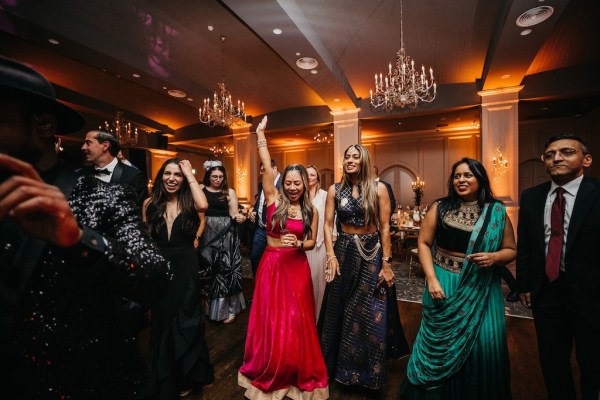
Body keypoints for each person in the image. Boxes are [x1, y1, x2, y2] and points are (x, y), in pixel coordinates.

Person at [0, 56, 170, 398]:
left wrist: (79, 240)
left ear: (44, 125)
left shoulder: (102, 196)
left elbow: (156, 276)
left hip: (85, 382)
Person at [401, 157, 516, 399]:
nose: (461, 180)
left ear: (480, 179)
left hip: (481, 285)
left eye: (467, 175)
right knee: (439, 343)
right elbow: (423, 243)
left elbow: (511, 250)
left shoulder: (495, 211)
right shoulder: (440, 207)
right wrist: (431, 279)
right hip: (445, 280)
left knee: (484, 342)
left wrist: (495, 258)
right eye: (457, 176)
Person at [238, 116, 329, 400]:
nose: (292, 187)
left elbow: (313, 241)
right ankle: (270, 365)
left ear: (304, 184)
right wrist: (260, 135)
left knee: (297, 319)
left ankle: (295, 367)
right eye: (288, 182)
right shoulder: (273, 200)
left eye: (297, 183)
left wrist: (300, 244)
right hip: (272, 265)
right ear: (282, 183)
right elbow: (265, 164)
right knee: (271, 318)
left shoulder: (311, 211)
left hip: (297, 266)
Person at [319, 144, 409, 390]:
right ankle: (339, 370)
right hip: (344, 251)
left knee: (370, 312)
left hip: (372, 252)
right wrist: (330, 255)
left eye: (355, 156)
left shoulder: (378, 189)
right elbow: (327, 226)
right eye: (346, 156)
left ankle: (368, 374)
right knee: (340, 308)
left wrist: (387, 264)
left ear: (364, 160)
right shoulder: (334, 190)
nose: (349, 160)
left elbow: (385, 228)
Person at [517, 134, 600, 400]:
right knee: (552, 361)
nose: (557, 158)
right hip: (547, 292)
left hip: (591, 292)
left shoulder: (596, 194)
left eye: (566, 152)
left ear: (585, 159)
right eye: (550, 154)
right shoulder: (531, 197)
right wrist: (524, 284)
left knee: (593, 362)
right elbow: (527, 245)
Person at [140, 158, 213, 399]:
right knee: (162, 320)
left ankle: (189, 375)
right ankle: (165, 374)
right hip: (161, 267)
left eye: (177, 175)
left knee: (188, 319)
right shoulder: (150, 203)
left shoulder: (191, 202)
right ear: (161, 177)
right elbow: (145, 239)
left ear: (183, 178)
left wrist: (189, 172)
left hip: (185, 265)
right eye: (168, 174)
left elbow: (204, 205)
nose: (172, 178)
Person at [198, 160, 247, 324]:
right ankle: (208, 308)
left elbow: (234, 214)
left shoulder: (229, 192)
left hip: (225, 236)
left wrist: (239, 218)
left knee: (226, 271)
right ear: (208, 176)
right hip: (206, 234)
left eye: (220, 176)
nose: (218, 179)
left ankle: (230, 310)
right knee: (208, 271)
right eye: (214, 176)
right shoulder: (201, 189)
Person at [80, 129, 147, 205]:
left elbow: (140, 211)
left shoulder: (134, 176)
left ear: (105, 146)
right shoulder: (81, 174)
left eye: (88, 143)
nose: (83, 147)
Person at [249, 159, 281, 276]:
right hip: (261, 228)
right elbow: (261, 202)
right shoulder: (261, 184)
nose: (263, 173)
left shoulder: (284, 183)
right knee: (255, 257)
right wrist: (254, 211)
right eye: (262, 171)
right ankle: (258, 283)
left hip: (277, 230)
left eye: (265, 170)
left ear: (275, 169)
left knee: (275, 260)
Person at [305, 164, 328, 319]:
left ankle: (318, 317)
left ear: (317, 178)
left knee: (319, 282)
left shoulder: (325, 195)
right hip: (303, 243)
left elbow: (330, 220)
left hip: (320, 243)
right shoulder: (300, 195)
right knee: (305, 282)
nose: (309, 177)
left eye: (312, 175)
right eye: (306, 175)